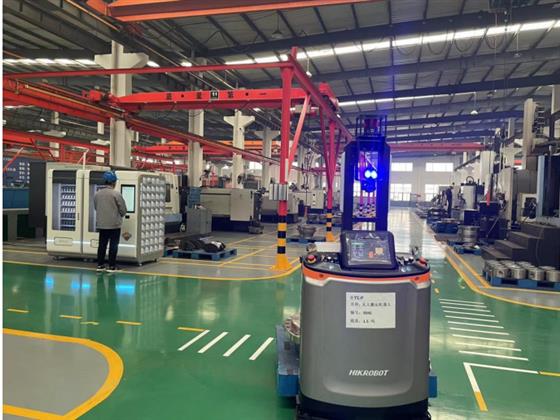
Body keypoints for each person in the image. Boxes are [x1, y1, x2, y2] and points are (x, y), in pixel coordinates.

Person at [94, 171, 127, 272]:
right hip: (114, 225)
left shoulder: (97, 194)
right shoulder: (116, 194)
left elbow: (96, 207)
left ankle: (100, 265)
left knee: (102, 245)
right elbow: (123, 209)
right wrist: (120, 215)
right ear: (114, 182)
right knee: (113, 245)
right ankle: (112, 266)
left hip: (101, 224)